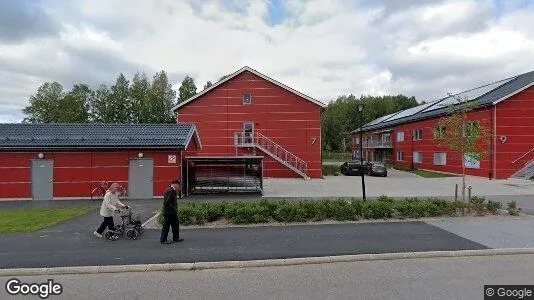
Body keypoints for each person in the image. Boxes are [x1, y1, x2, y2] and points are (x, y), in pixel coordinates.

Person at [160, 179, 184, 244]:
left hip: (172, 212)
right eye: (179, 186)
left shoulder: (172, 190)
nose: (179, 188)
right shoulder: (170, 191)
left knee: (175, 225)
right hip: (168, 213)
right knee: (166, 226)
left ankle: (176, 238)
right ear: (175, 185)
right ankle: (163, 240)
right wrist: (173, 208)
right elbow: (166, 202)